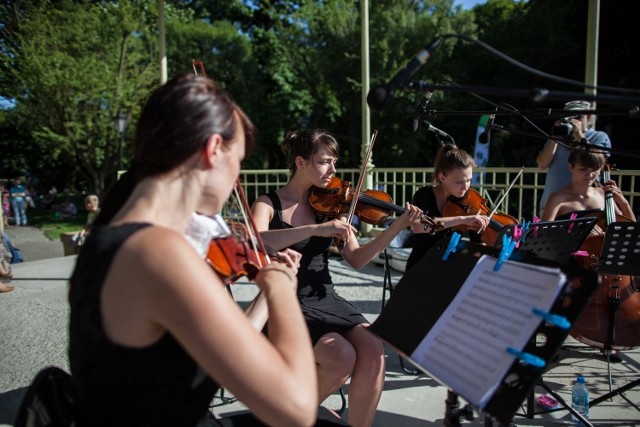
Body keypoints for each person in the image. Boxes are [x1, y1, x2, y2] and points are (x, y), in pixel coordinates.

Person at [69, 74, 344, 426]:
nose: (237, 177)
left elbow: (221, 348)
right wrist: (281, 293)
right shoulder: (158, 253)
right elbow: (296, 408)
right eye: (239, 160)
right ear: (213, 150)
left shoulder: (109, 238)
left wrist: (265, 294)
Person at [251, 128, 425, 427]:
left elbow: (356, 259)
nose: (332, 169)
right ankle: (285, 416)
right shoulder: (268, 204)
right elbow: (256, 242)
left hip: (325, 298)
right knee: (341, 356)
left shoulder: (331, 205)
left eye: (334, 162)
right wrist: (314, 230)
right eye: (324, 162)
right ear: (300, 163)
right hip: (285, 299)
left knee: (373, 349)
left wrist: (395, 227)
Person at [404, 143, 490, 271]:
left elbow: (477, 244)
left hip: (450, 268)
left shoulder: (471, 202)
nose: (466, 186)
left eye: (468, 180)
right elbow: (420, 226)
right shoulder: (423, 195)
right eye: (459, 181)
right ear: (442, 177)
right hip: (421, 265)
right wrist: (463, 219)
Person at [537, 100, 611, 215]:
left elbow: (596, 159)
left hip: (581, 207)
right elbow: (542, 164)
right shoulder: (558, 137)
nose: (573, 121)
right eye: (568, 117)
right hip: (552, 204)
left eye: (577, 117)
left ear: (588, 116)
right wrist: (555, 137)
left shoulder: (599, 136)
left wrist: (580, 137)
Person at [540, 148, 635, 222]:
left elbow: (629, 226)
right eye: (583, 169)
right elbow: (543, 232)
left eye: (595, 169)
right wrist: (579, 231)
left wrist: (623, 203)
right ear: (571, 167)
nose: (590, 175)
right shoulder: (558, 198)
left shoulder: (603, 193)